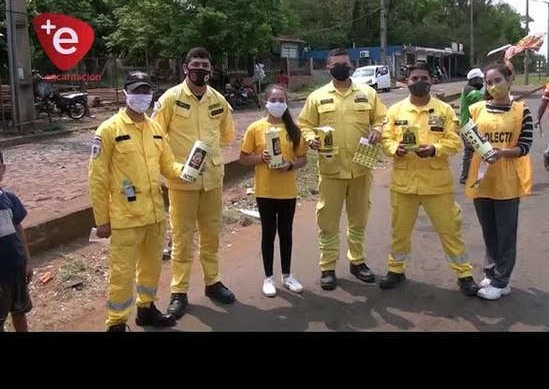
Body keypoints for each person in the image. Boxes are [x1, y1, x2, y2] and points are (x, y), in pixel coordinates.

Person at [88, 71, 182, 331]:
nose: (142, 96)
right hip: (125, 218)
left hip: (154, 215)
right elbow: (97, 179)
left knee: (151, 268)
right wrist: (101, 220)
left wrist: (188, 169)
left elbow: (168, 165)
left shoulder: (156, 129)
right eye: (137, 91)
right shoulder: (108, 130)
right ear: (126, 93)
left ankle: (146, 310)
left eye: (146, 91)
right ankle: (116, 323)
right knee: (122, 273)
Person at [379, 62, 479, 296]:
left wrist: (434, 148)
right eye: (414, 78)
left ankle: (464, 274)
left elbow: (454, 142)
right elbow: (385, 140)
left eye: (423, 78)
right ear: (406, 81)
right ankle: (396, 270)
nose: (419, 82)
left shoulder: (444, 110)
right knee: (399, 231)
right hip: (404, 185)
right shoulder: (395, 111)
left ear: (431, 81)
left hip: (437, 185)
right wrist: (396, 148)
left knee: (449, 231)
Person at [152, 47, 236, 319]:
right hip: (181, 181)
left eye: (205, 65)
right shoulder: (170, 99)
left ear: (211, 69)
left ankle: (213, 283)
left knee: (211, 234)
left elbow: (226, 135)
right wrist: (176, 165)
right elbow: (156, 136)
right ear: (185, 68)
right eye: (195, 64)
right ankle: (179, 292)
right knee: (182, 237)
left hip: (212, 179)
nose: (200, 69)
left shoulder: (219, 100)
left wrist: (208, 157)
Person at [297, 48, 387, 291]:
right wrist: (309, 139)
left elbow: (381, 118)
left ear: (352, 66)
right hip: (331, 169)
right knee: (327, 219)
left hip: (361, 167)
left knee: (359, 218)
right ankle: (327, 266)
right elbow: (304, 123)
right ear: (328, 68)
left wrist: (378, 129)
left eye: (345, 64)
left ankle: (357, 262)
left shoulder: (368, 93)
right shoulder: (317, 96)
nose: (341, 68)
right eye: (336, 64)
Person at [464, 63, 533, 300]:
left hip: (506, 179)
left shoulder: (521, 111)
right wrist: (479, 148)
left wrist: (502, 152)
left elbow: (524, 146)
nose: (493, 86)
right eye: (489, 82)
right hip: (481, 179)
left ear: (509, 79)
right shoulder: (476, 109)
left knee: (506, 233)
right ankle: (492, 272)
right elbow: (468, 140)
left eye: (497, 80)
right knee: (489, 231)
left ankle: (502, 281)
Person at [239, 84, 308, 297]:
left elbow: (303, 159)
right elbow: (243, 158)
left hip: (287, 191)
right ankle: (268, 277)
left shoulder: (293, 129)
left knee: (286, 233)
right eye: (274, 99)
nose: (278, 103)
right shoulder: (255, 128)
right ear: (266, 102)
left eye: (282, 100)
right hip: (265, 191)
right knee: (268, 234)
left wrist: (289, 165)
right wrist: (261, 158)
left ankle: (287, 275)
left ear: (286, 104)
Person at [0, 149, 33, 332]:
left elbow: (19, 230)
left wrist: (27, 261)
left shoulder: (10, 199)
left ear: (3, 169)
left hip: (17, 269)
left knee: (20, 312)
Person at [458, 68, 485, 184]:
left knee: (475, 151)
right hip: (468, 125)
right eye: (480, 79)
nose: (482, 81)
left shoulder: (472, 88)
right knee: (472, 151)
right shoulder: (470, 91)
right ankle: (466, 177)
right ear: (474, 80)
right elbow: (483, 97)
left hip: (471, 125)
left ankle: (469, 176)